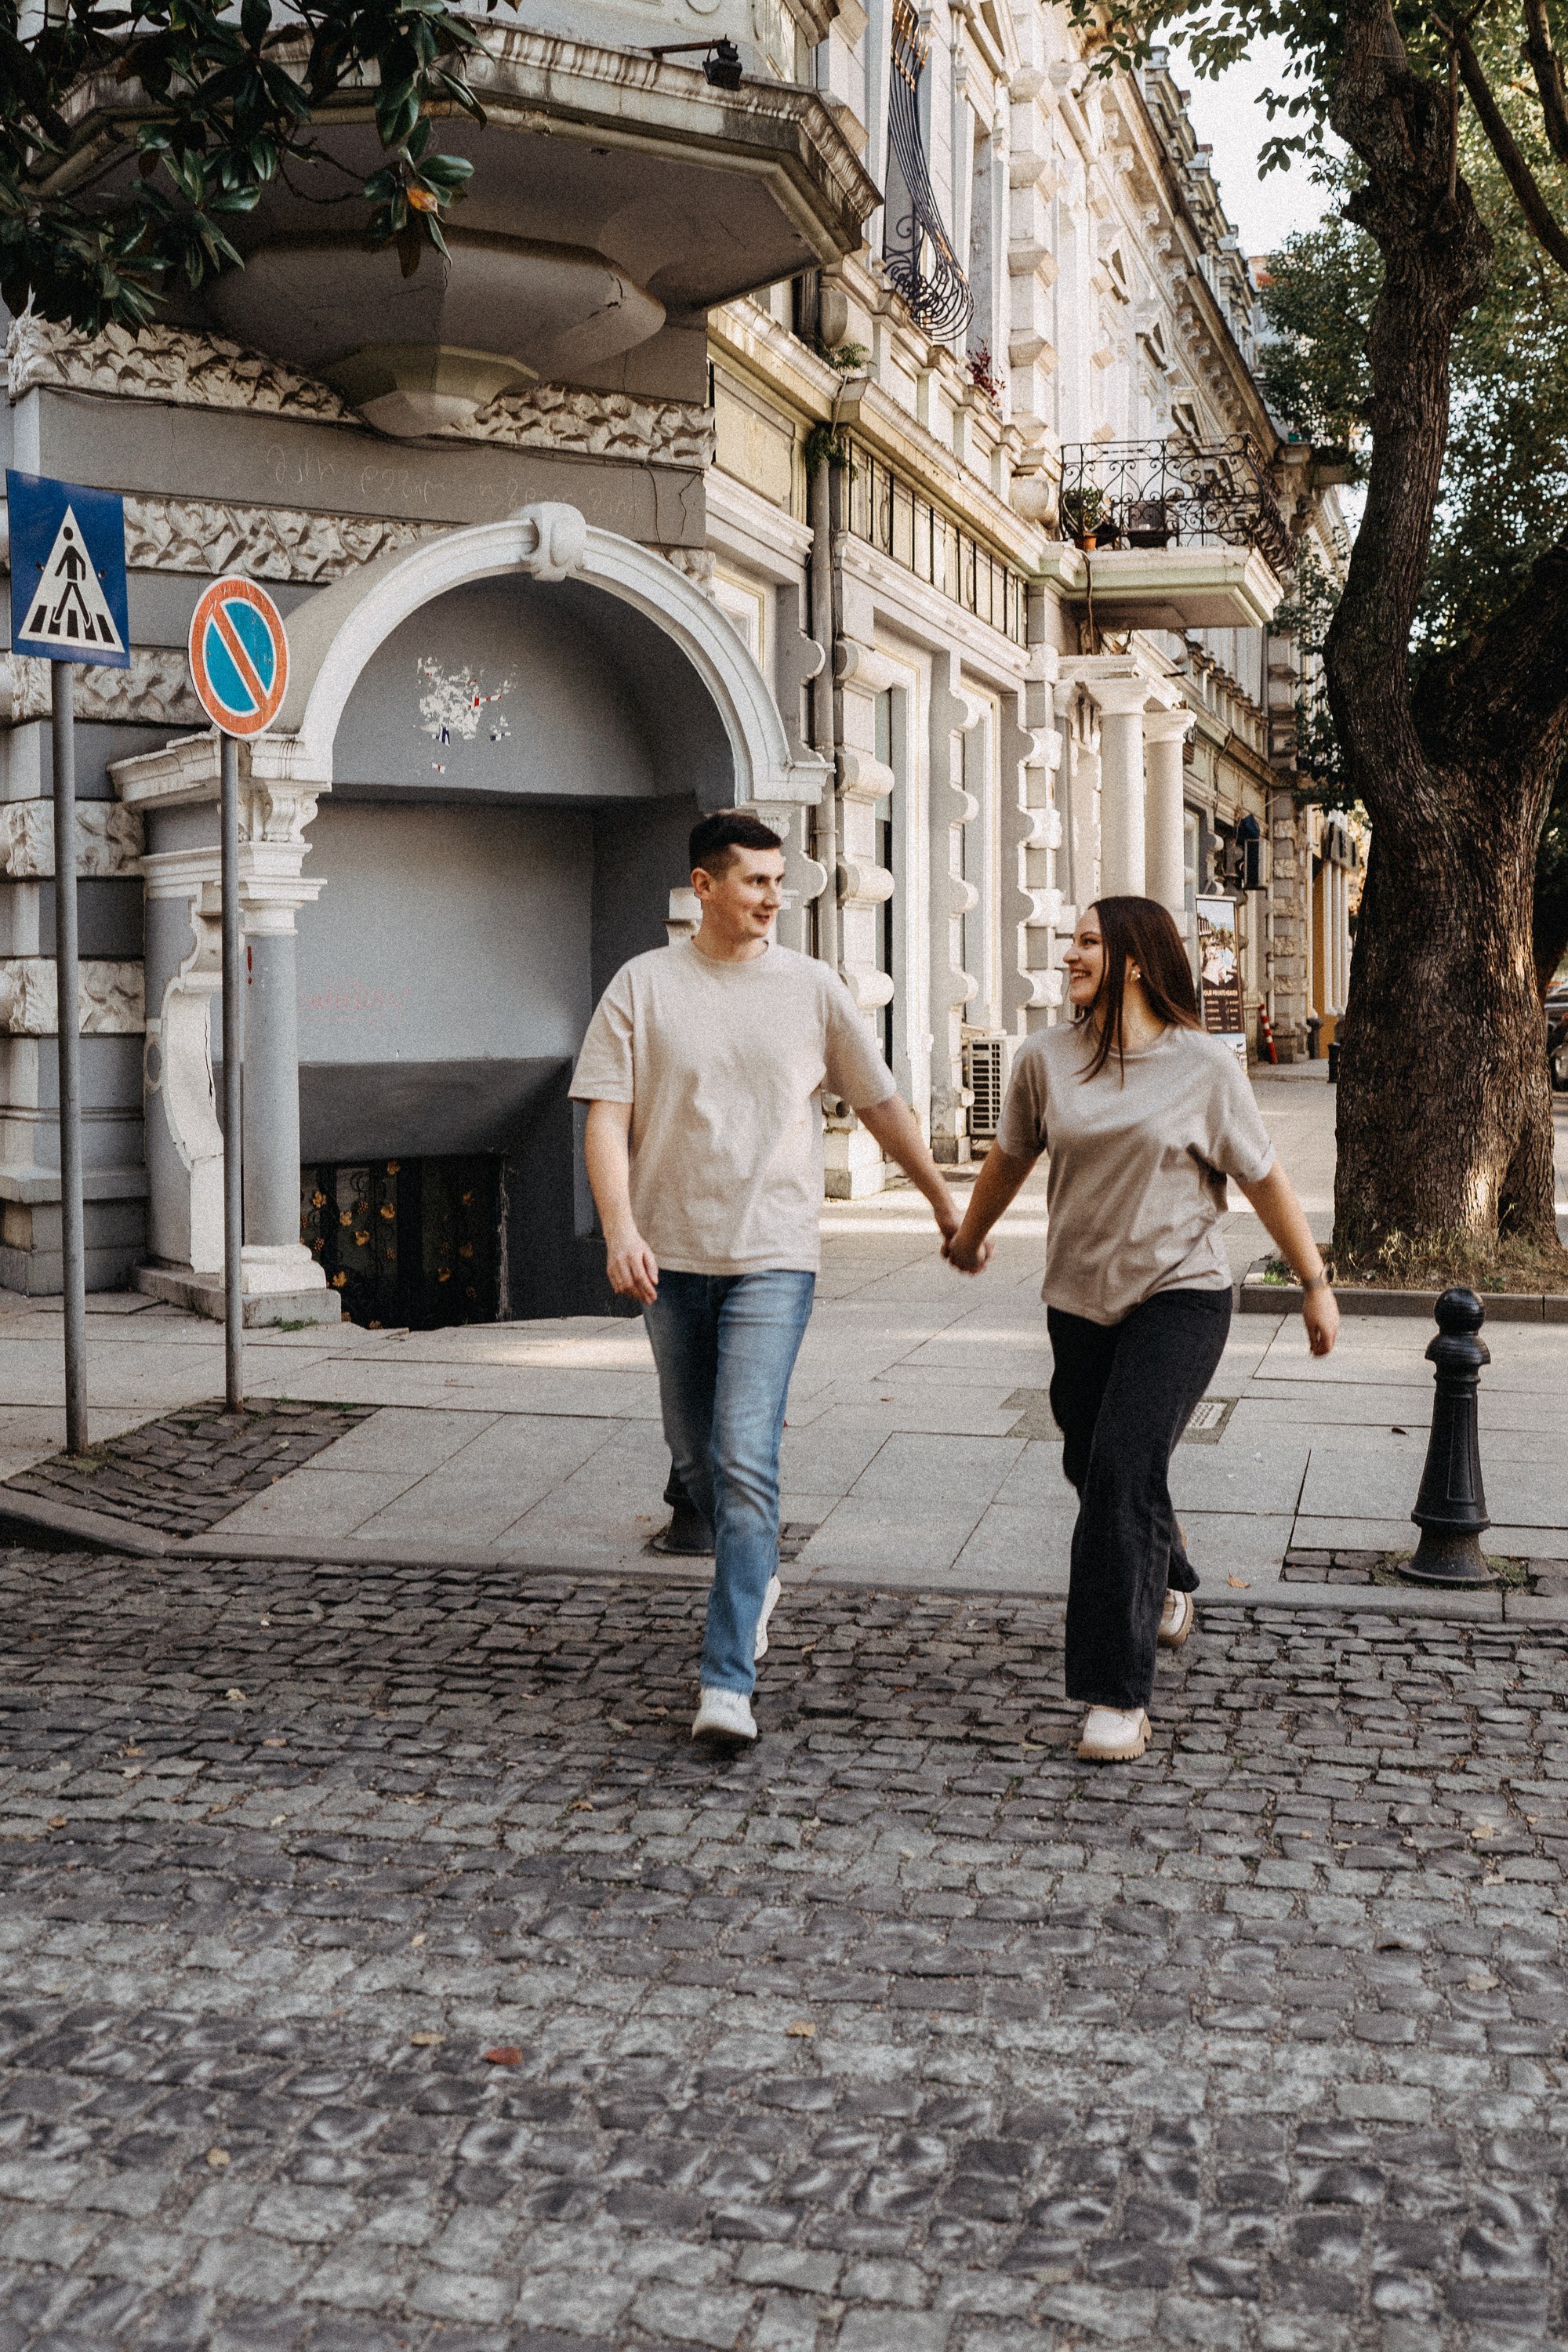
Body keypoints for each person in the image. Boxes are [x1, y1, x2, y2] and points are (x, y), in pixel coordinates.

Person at [572, 811, 960, 1746]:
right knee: (696, 1460)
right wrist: (619, 1231)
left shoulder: (812, 988)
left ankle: (725, 1682)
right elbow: (604, 1118)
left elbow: (881, 1105)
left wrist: (946, 1204)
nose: (772, 898)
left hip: (774, 1258)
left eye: (779, 882)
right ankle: (755, 1569)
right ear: (703, 887)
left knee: (745, 1456)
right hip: (669, 1258)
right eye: (754, 881)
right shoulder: (642, 985)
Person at [945, 895, 1338, 1763]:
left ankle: (1113, 1697)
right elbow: (1008, 1158)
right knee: (1092, 1466)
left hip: (1180, 1296)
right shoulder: (1044, 1060)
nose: (1069, 955)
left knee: (1122, 1471)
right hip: (1078, 1299)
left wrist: (1313, 1283)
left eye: (1087, 941)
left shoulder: (1204, 1066)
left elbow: (1264, 1179)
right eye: (1070, 941)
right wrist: (968, 1237)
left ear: (1130, 960)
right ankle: (1167, 1571)